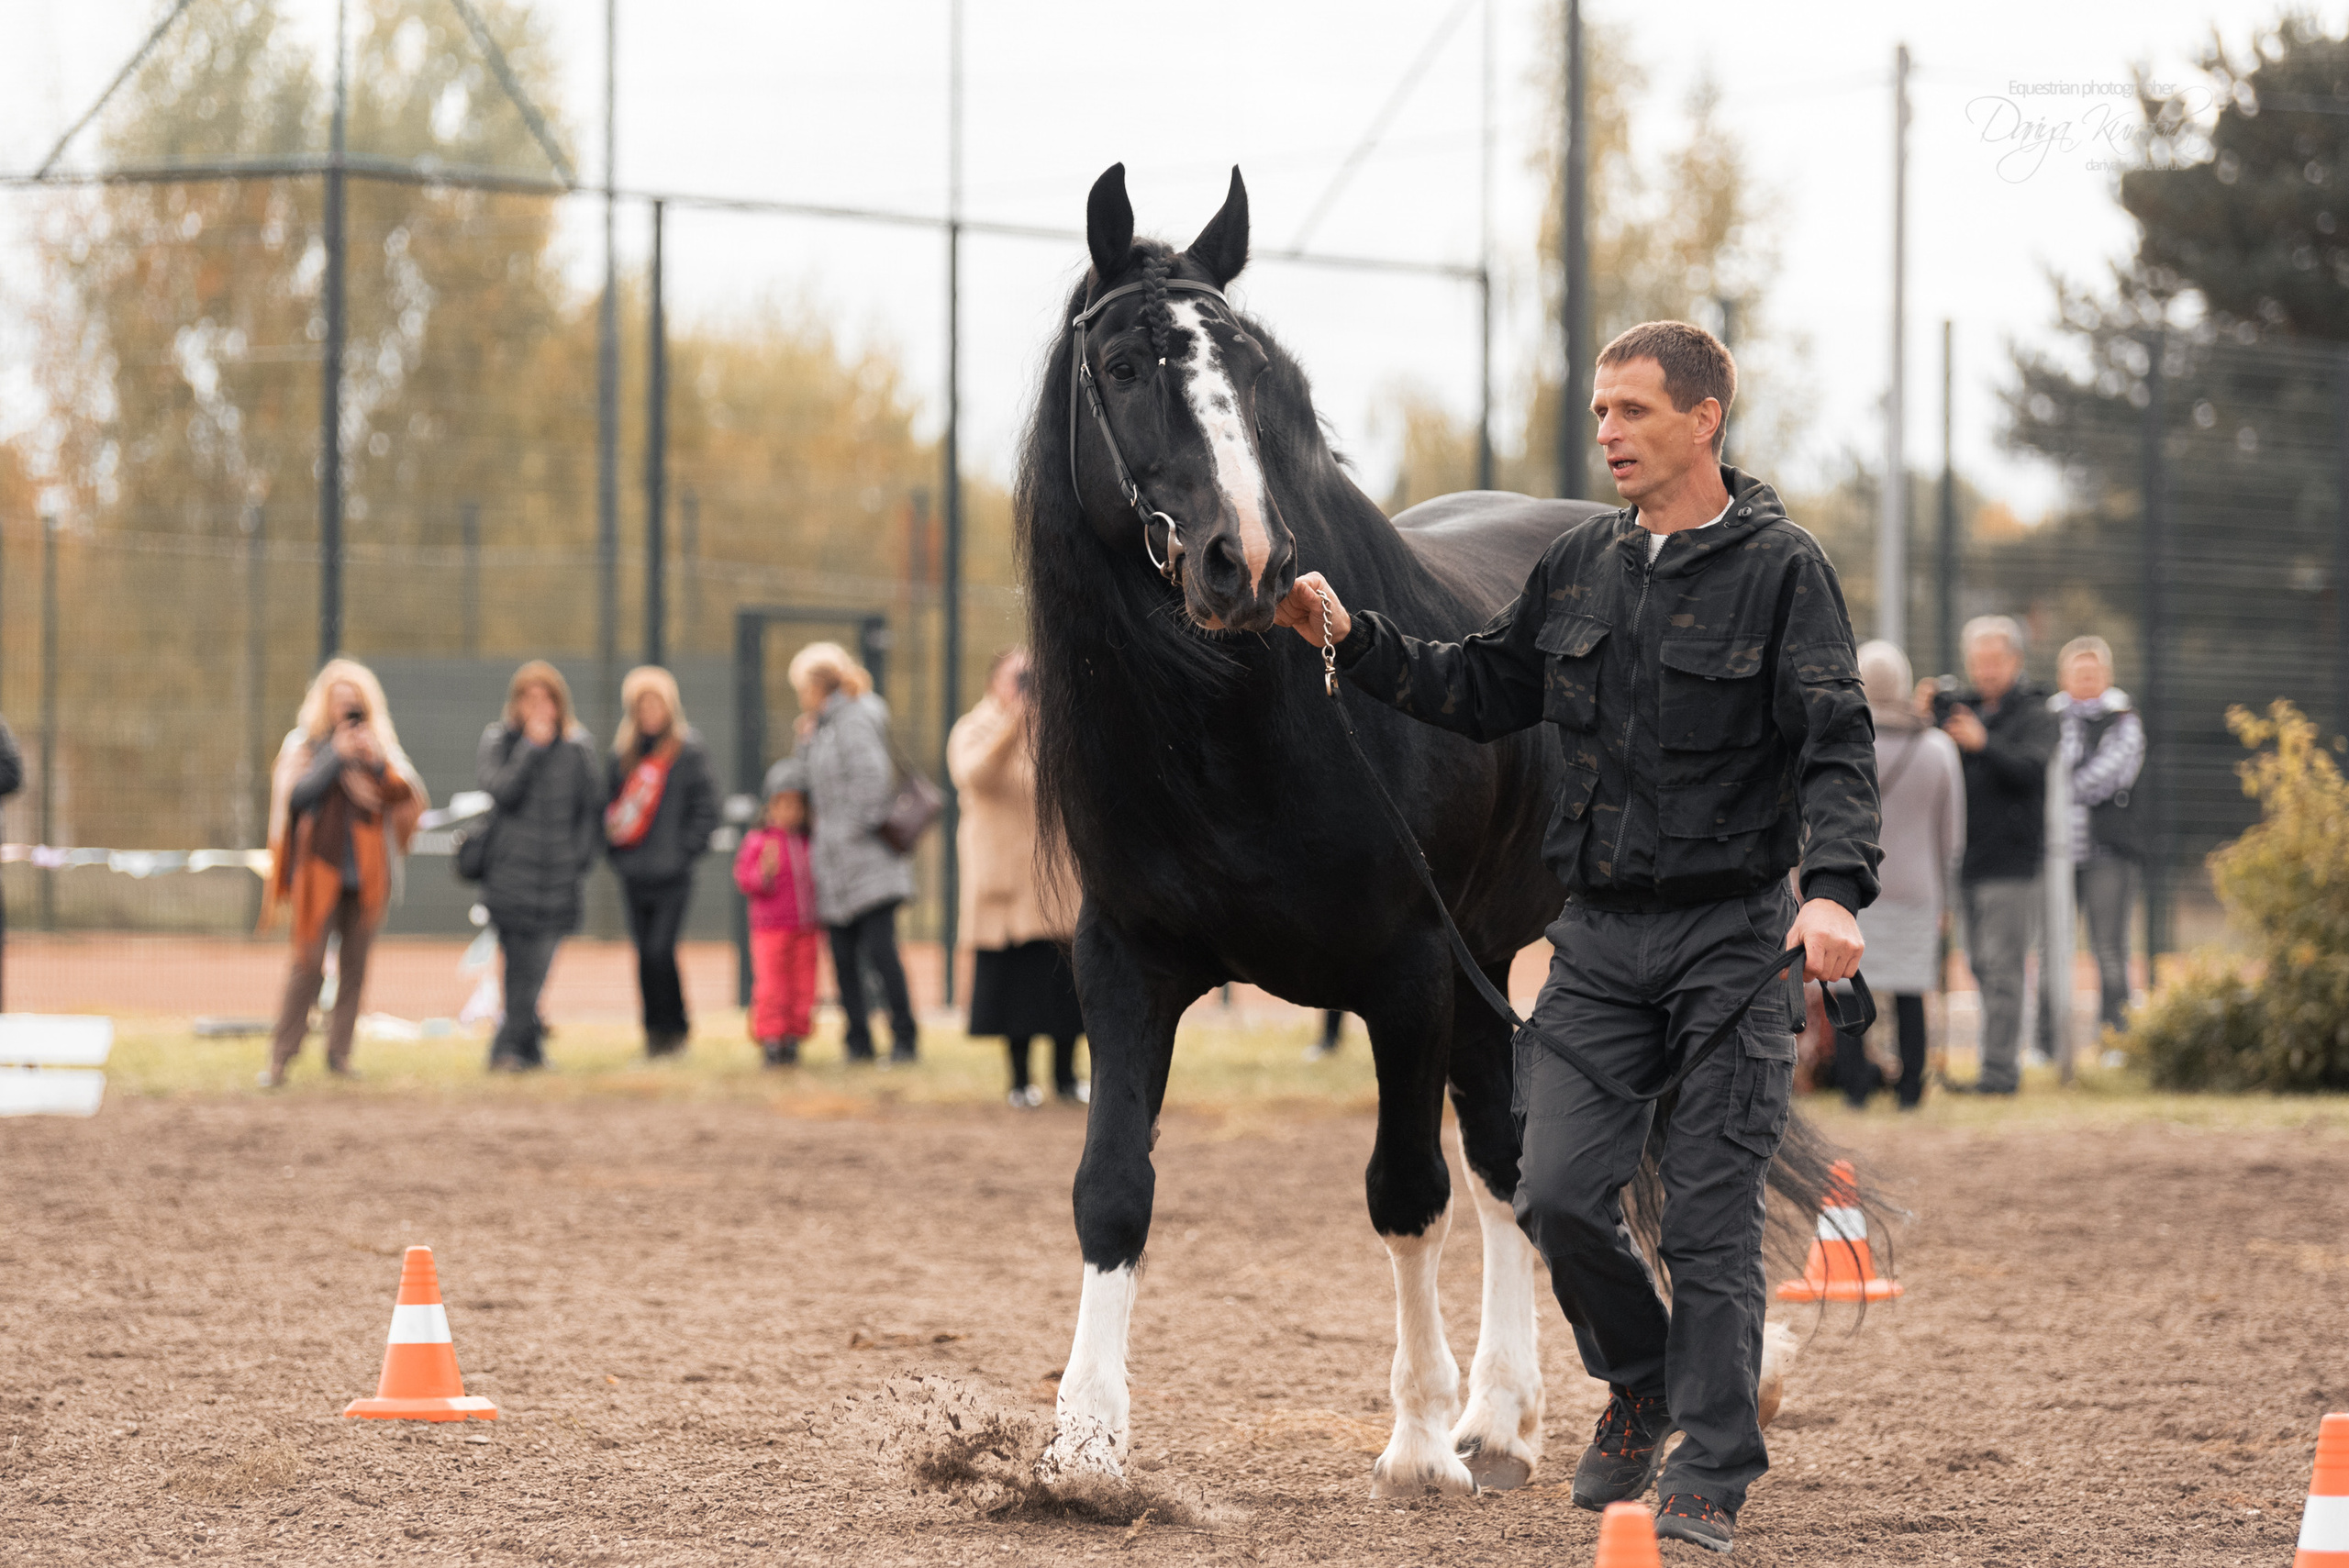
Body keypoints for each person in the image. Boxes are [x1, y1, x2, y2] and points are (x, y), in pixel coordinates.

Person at [1275, 320, 1878, 1553]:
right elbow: (1480, 687)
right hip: (1598, 938)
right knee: (1551, 1188)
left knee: (1706, 1215)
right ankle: (1642, 1377)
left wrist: (1835, 891)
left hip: (1728, 939)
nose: (1607, 430)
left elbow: (1835, 742)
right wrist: (1346, 635)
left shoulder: (1783, 569)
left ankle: (1710, 1463)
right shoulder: (1579, 567)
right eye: (1601, 409)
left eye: (1635, 410)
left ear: (1705, 420)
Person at [262, 660, 427, 1085]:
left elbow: (402, 793)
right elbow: (297, 797)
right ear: (324, 705)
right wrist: (336, 756)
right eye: (338, 701)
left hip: (368, 877)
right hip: (319, 873)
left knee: (356, 967)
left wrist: (372, 761)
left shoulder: (381, 748)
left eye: (353, 702)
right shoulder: (306, 747)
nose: (346, 709)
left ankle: (340, 1054)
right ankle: (281, 1056)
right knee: (308, 964)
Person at [1815, 641, 1963, 1109]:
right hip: (1919, 887)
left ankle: (1856, 1088)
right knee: (1911, 988)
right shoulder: (1938, 748)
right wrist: (1947, 901)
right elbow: (1951, 835)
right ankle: (1910, 1090)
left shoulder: (1839, 744)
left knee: (1849, 984)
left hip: (1852, 887)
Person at [947, 647, 1085, 1106]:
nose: (1027, 687)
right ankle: (1019, 1080)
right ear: (994, 682)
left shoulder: (1060, 729)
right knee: (1014, 988)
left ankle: (1066, 1078)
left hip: (1056, 887)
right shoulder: (975, 727)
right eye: (1018, 678)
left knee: (1067, 988)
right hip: (1004, 885)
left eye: (1034, 678)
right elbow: (977, 776)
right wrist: (1016, 723)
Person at [1939, 616, 2058, 1095]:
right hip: (1965, 859)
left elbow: (2032, 769)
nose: (1986, 671)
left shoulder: (2037, 713)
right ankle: (1993, 1063)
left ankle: (2000, 1073)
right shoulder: (1962, 709)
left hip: (2012, 864)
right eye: (1979, 661)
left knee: (2005, 969)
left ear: (2015, 661)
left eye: (1995, 661)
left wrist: (1983, 744)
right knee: (1980, 966)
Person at [789, 641, 918, 1064]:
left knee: (881, 952)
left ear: (815, 684)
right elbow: (812, 782)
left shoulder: (856, 718)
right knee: (843, 956)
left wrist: (845, 831)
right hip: (837, 864)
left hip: (867, 860)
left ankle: (904, 1038)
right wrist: (806, 743)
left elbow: (872, 782)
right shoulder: (825, 724)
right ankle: (858, 1041)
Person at [475, 662, 604, 1072]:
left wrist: (579, 858)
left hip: (559, 878)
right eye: (528, 698)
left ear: (559, 702)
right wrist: (529, 749)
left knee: (540, 969)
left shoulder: (578, 749)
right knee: (518, 969)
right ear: (515, 704)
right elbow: (500, 792)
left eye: (545, 698)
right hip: (512, 877)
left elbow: (590, 810)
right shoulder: (499, 742)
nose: (538, 707)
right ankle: (514, 1050)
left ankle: (516, 1049)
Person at [605, 665, 718, 1057]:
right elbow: (609, 811)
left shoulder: (688, 751)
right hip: (635, 874)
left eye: (656, 702)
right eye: (642, 704)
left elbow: (707, 809)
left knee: (660, 950)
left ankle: (677, 1027)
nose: (650, 710)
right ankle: (654, 1032)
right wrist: (620, 856)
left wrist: (684, 851)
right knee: (644, 955)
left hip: (673, 875)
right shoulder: (624, 756)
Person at [2049, 635, 2143, 1036]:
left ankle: (2116, 1035)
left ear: (2107, 675)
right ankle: (2047, 1039)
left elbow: (2111, 774)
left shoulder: (2124, 719)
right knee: (2051, 949)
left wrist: (2058, 790)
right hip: (2055, 854)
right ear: (2063, 676)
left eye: (2093, 673)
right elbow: (2047, 761)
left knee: (2109, 948)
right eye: (2079, 673)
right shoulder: (2050, 717)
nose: (2086, 679)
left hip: (2108, 853)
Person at [735, 759, 821, 1066]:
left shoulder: (809, 842)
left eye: (795, 805)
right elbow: (745, 879)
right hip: (770, 929)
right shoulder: (759, 841)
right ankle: (771, 1038)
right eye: (781, 805)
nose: (788, 812)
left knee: (803, 985)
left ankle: (794, 1037)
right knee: (772, 986)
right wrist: (763, 873)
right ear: (769, 806)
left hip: (806, 928)